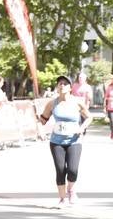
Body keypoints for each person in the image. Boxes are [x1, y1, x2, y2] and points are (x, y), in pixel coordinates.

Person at [38, 75, 90, 207]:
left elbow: (89, 117)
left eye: (65, 84)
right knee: (60, 170)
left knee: (72, 170)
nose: (62, 86)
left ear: (70, 87)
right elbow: (43, 120)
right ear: (57, 87)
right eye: (59, 84)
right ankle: (62, 198)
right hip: (57, 142)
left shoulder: (77, 102)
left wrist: (82, 128)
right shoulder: (52, 103)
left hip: (74, 140)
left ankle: (71, 189)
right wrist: (40, 129)